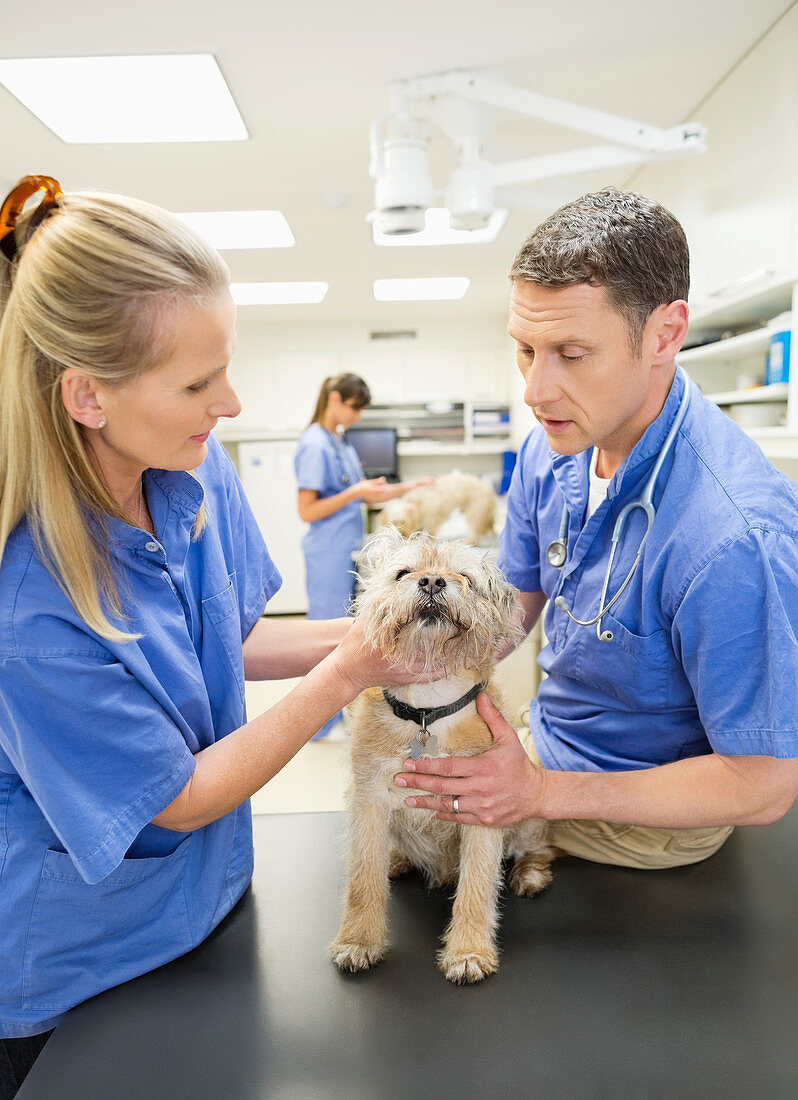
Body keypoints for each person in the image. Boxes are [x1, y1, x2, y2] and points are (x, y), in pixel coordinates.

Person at [0, 176, 426, 1095]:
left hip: (209, 903)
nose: (230, 403)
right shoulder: (28, 604)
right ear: (87, 396)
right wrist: (351, 669)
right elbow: (177, 797)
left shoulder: (193, 464)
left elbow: (222, 647)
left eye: (225, 366)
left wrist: (385, 630)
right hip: (74, 968)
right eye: (198, 382)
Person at [395, 187, 798, 869]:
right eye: (525, 348)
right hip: (546, 751)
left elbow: (760, 786)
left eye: (571, 353)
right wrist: (405, 658)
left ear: (665, 334)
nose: (535, 389)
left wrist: (540, 792)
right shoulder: (551, 448)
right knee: (394, 810)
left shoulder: (734, 537)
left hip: (647, 818)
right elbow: (513, 611)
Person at [295, 373, 428, 738]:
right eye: (353, 408)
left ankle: (336, 716)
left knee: (343, 637)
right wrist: (354, 490)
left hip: (345, 549)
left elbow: (367, 494)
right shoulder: (314, 445)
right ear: (334, 399)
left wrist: (412, 487)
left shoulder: (340, 443)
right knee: (323, 641)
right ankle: (319, 728)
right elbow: (308, 509)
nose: (356, 417)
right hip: (327, 551)